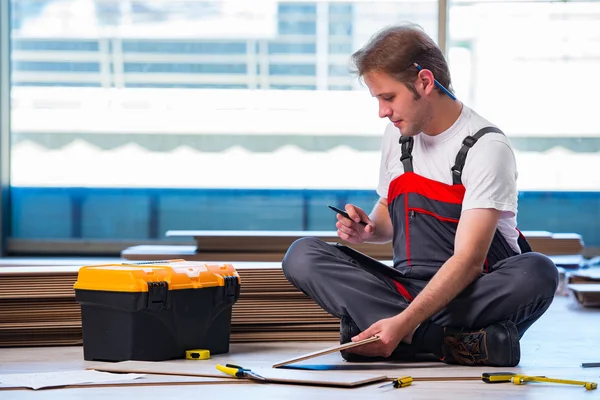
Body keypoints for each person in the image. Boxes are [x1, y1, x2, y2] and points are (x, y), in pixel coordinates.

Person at [281, 24, 559, 367]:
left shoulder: (487, 148)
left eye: (388, 97)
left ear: (425, 82)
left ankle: (397, 336)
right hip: (407, 290)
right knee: (302, 254)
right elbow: (387, 213)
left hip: (471, 292)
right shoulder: (396, 136)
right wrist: (369, 231)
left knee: (538, 271)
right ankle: (454, 344)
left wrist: (402, 321)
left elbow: (469, 261)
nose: (382, 111)